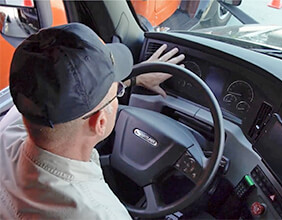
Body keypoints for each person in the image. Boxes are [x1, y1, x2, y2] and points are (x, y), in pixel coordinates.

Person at [0, 23, 184, 219]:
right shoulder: (102, 214)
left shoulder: (10, 126)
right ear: (100, 123)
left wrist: (133, 80)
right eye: (118, 92)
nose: (119, 91)